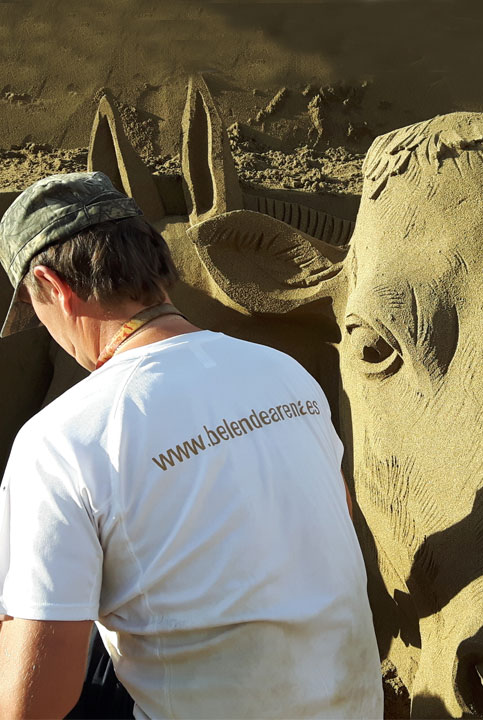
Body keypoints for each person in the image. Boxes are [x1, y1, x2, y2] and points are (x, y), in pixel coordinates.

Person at [0, 172, 383, 719]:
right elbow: (336, 511)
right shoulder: (286, 375)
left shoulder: (62, 439)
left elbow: (31, 706)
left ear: (53, 286)